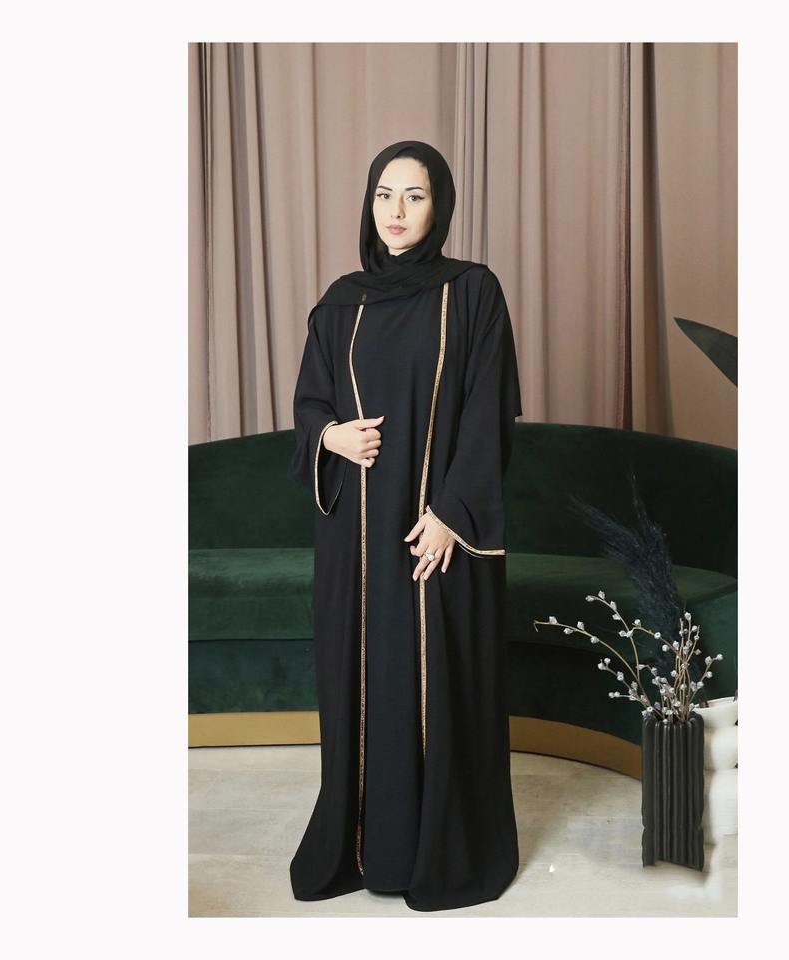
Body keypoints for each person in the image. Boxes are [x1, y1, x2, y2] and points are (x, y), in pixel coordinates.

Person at [287, 140, 523, 912]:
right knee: (365, 684)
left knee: (434, 684)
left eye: (414, 196)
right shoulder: (341, 303)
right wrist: (331, 437)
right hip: (355, 541)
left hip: (433, 536)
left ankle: (436, 852)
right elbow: (311, 402)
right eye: (384, 194)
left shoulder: (473, 293)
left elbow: (489, 409)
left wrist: (453, 513)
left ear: (439, 206)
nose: (395, 211)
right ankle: (364, 848)